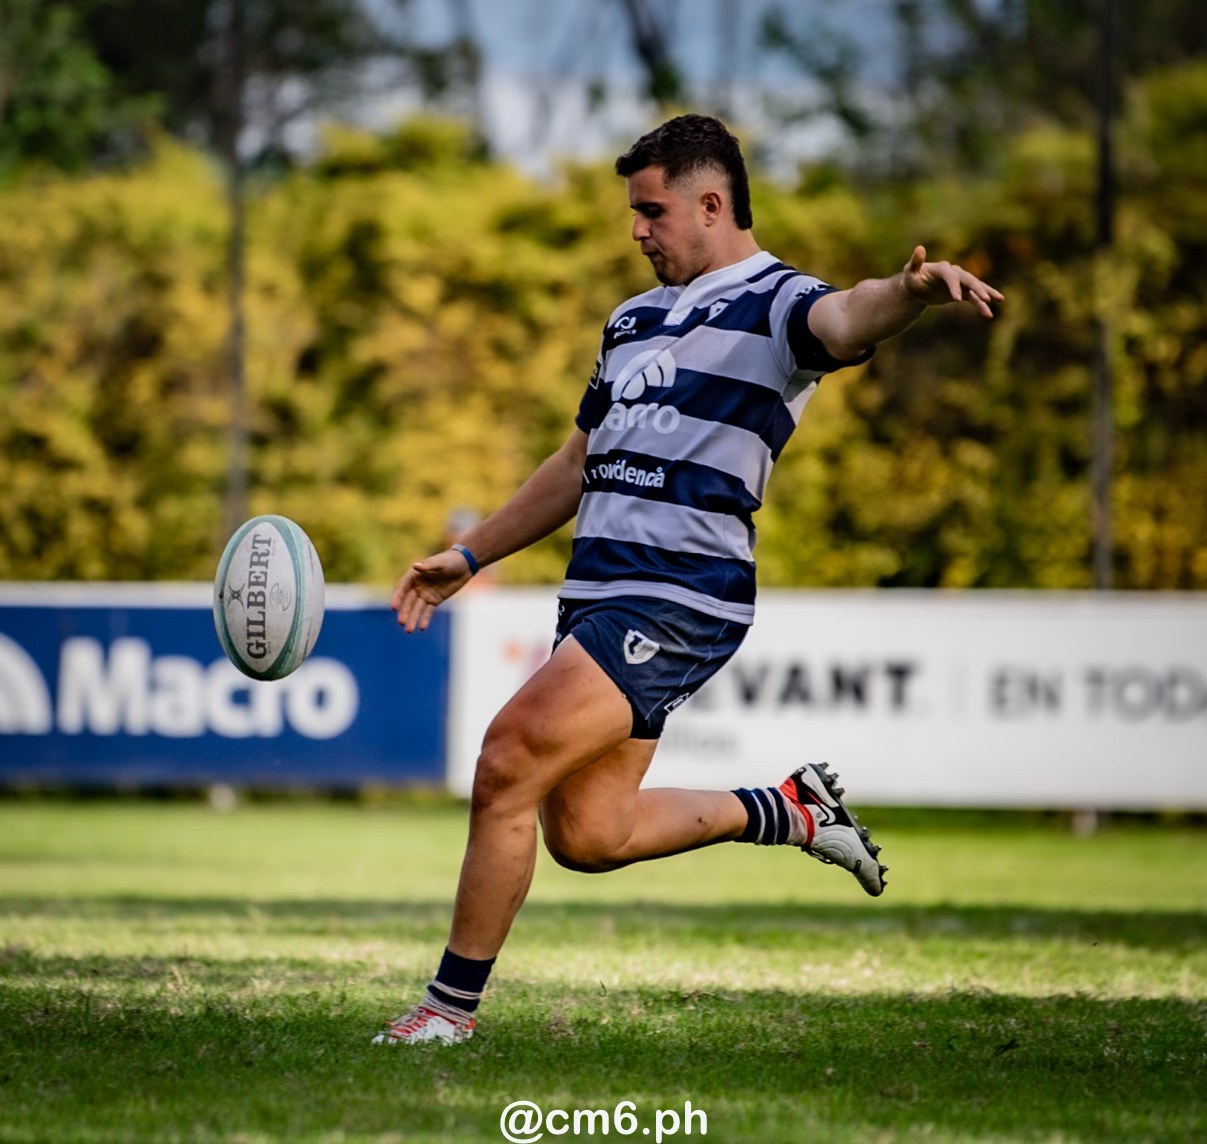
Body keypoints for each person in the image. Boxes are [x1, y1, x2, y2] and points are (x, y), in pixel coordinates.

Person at [375, 114, 1003, 1046]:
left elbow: (847, 316)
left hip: (678, 594)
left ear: (711, 204)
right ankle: (786, 810)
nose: (636, 230)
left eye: (651, 211)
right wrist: (471, 556)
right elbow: (578, 460)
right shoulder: (629, 322)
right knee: (587, 835)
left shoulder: (778, 304)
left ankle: (446, 1011)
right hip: (597, 593)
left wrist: (907, 293)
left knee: (506, 759)